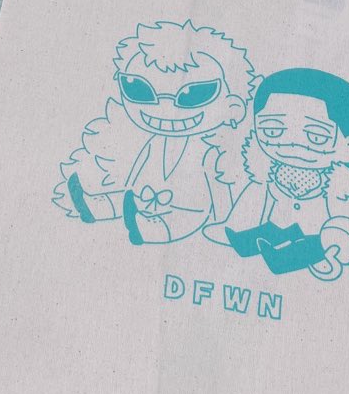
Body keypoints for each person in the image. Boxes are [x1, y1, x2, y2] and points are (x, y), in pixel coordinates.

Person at [204, 68, 349, 292]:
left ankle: (283, 260)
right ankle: (249, 243)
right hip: (281, 227)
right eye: (272, 130)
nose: (291, 143)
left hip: (325, 239)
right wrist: (233, 225)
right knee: (272, 231)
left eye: (316, 137)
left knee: (330, 237)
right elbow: (254, 197)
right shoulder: (269, 171)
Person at [54, 20, 257, 244]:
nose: (164, 106)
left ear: (233, 105)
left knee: (173, 221)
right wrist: (129, 188)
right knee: (128, 200)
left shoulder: (208, 150)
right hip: (142, 198)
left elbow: (218, 186)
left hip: (189, 211)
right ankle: (100, 207)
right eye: (137, 88)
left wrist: (222, 223)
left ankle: (151, 229)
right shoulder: (155, 141)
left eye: (194, 95)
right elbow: (139, 167)